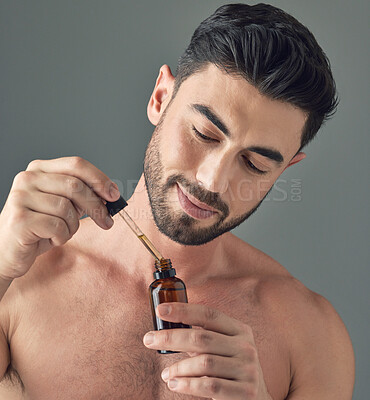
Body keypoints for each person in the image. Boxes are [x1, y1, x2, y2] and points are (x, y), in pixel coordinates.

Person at [0, 3, 355, 399]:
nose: (213, 181)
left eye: (254, 164)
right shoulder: (20, 279)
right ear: (160, 97)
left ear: (284, 170)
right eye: (204, 133)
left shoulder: (310, 333)